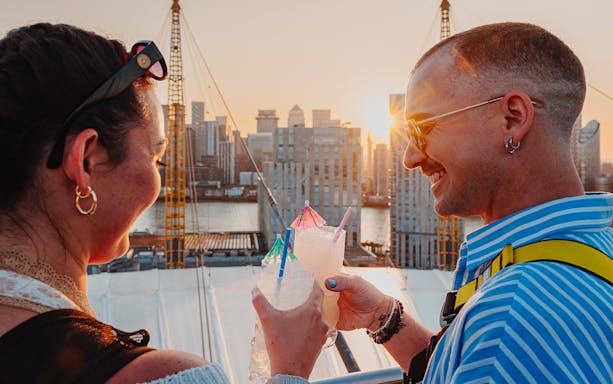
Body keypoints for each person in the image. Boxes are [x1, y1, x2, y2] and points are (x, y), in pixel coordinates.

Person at [254, 22, 612, 383]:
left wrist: (289, 371)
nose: (410, 158)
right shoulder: (590, 249)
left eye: (423, 129)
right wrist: (384, 317)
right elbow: (466, 364)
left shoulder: (510, 318)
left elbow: (497, 349)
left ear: (512, 117)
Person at [0, 23, 327, 384]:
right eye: (156, 158)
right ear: (85, 162)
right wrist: (290, 370)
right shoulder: (163, 377)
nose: (160, 179)